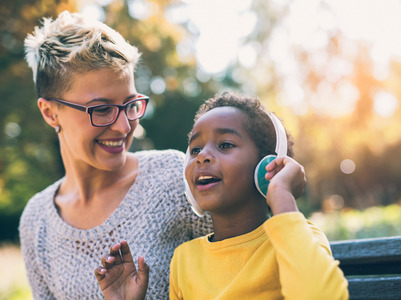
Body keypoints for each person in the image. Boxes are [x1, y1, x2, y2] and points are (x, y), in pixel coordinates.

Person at [19, 11, 307, 299]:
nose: (123, 126)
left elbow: (266, 269)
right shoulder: (36, 221)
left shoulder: (174, 178)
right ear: (49, 112)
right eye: (102, 109)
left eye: (130, 104)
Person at [95, 92, 349, 300]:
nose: (202, 156)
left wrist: (281, 193)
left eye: (225, 144)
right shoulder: (185, 259)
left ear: (267, 167)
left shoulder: (298, 237)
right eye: (195, 149)